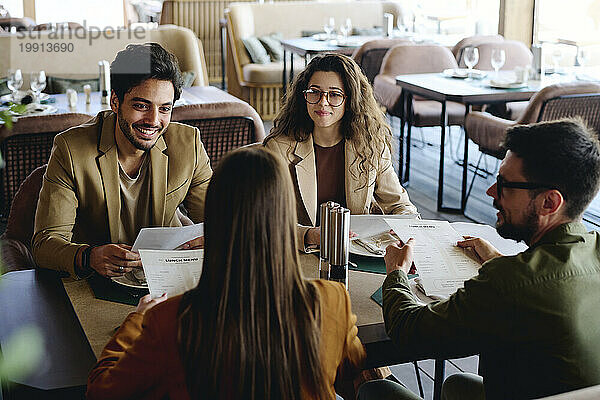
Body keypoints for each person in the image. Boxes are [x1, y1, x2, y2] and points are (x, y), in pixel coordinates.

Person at [86, 146, 366, 399]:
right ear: (284, 217)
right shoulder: (333, 301)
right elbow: (353, 369)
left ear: (215, 217)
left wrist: (137, 320)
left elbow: (102, 391)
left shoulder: (168, 321)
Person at [359, 119, 600, 400]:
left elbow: (409, 331)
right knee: (457, 385)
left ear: (550, 202)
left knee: (376, 390)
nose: (490, 193)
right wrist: (495, 259)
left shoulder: (508, 282)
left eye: (505, 185)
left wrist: (396, 272)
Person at [32, 43, 212, 279]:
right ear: (115, 102)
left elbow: (216, 223)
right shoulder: (71, 149)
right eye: (141, 106)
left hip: (167, 277)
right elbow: (44, 245)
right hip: (97, 281)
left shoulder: (189, 145)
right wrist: (89, 257)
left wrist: (211, 241)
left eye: (165, 109)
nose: (153, 120)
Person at [264, 53, 417, 250]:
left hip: (358, 253)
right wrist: (309, 235)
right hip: (299, 253)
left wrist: (406, 229)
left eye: (334, 94)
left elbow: (399, 205)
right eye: (314, 92)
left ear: (350, 99)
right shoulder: (279, 148)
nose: (322, 102)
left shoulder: (371, 144)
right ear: (304, 95)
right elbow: (266, 219)